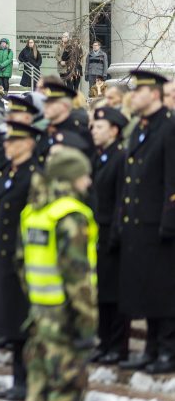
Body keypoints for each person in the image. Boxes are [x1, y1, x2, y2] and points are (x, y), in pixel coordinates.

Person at [20, 148, 97, 401]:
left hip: (39, 315)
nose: (88, 182)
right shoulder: (70, 215)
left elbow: (21, 265)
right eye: (83, 176)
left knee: (38, 390)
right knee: (65, 389)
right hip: (65, 318)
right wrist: (87, 325)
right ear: (70, 178)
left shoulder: (34, 212)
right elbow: (78, 279)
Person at [117, 70, 175, 373]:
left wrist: (169, 220)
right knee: (147, 289)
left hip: (160, 224)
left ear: (154, 94)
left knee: (164, 290)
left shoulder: (169, 127)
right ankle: (152, 349)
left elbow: (171, 180)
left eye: (138, 91)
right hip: (139, 223)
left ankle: (167, 350)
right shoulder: (142, 128)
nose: (133, 96)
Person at [0, 121, 40, 401]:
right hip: (2, 257)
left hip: (23, 258)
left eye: (13, 142)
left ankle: (26, 380)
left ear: (28, 143)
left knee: (22, 325)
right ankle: (19, 379)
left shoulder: (34, 176)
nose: (7, 146)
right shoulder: (8, 172)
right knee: (11, 322)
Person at [89, 106, 130, 365]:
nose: (94, 131)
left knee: (114, 293)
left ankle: (117, 346)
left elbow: (121, 200)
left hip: (112, 233)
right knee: (102, 292)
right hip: (96, 232)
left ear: (114, 130)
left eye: (100, 127)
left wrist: (116, 232)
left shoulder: (121, 157)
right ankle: (104, 343)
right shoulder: (99, 157)